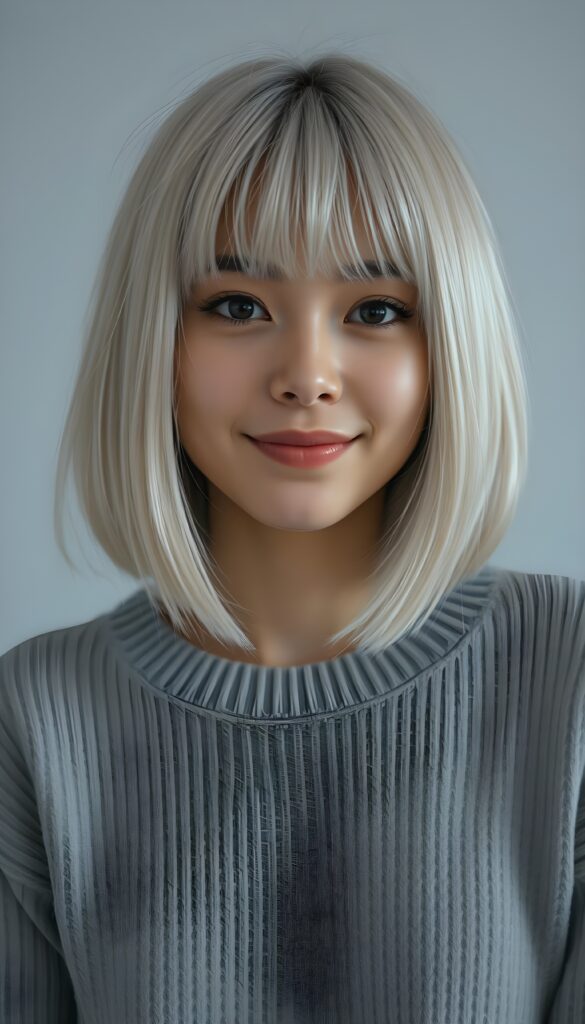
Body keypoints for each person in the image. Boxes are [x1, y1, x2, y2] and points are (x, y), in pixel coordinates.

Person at [1, 52, 583, 1023]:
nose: (308, 373)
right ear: (153, 340)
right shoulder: (34, 722)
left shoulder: (568, 681)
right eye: (238, 305)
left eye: (376, 310)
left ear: (451, 347)